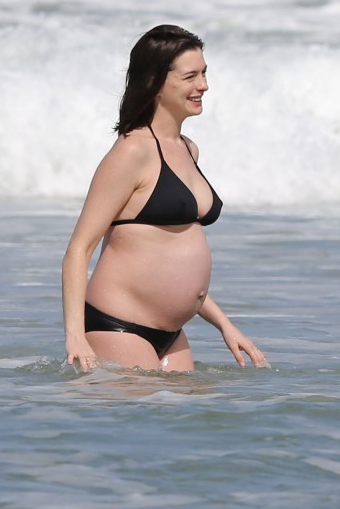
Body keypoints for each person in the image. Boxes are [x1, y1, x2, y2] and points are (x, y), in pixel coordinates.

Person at [62, 24, 268, 372]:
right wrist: (75, 335)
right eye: (190, 76)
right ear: (154, 82)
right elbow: (78, 249)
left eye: (204, 73)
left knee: (191, 423)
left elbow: (168, 256)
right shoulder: (132, 152)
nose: (203, 85)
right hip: (119, 326)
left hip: (171, 332)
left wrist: (224, 324)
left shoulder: (189, 150)